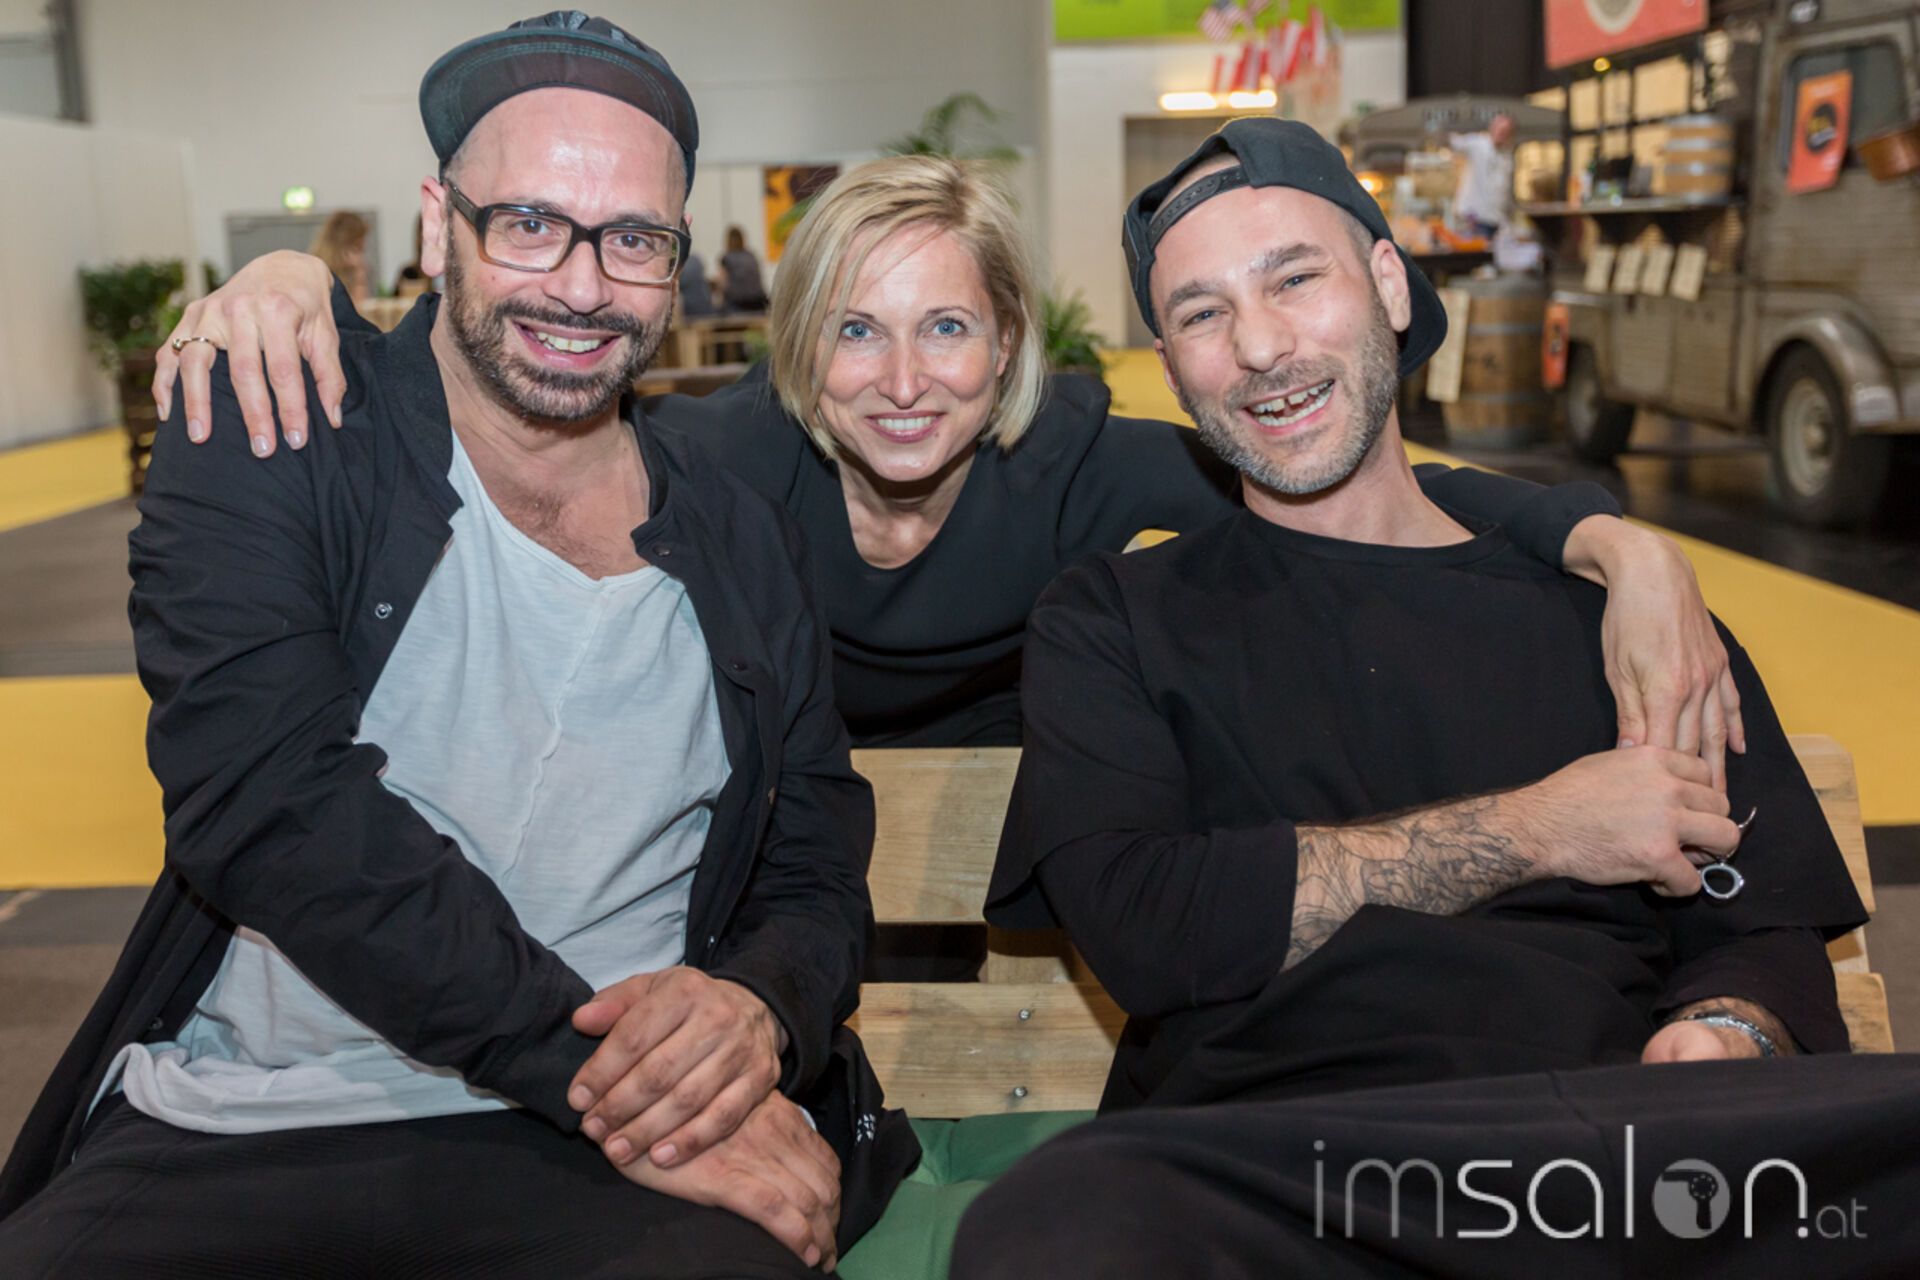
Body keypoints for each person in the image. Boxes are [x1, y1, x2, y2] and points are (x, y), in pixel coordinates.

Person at [0, 14, 917, 1277]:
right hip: (258, 1119)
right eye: (529, 222)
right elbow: (267, 802)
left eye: (634, 239)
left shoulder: (738, 533)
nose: (582, 287)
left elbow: (812, 843)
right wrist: (597, 1070)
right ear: (439, 226)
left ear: (676, 259)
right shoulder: (273, 428)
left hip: (619, 1152)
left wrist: (758, 1010)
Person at [954, 117, 1919, 1278]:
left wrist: (1725, 1030)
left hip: (1596, 1152)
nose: (1259, 346)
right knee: (1052, 1221)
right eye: (1202, 313)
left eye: (1294, 279)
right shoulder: (1115, 617)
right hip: (1277, 1166)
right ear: (1169, 365)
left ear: (1389, 283)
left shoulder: (1619, 618)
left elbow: (1757, 925)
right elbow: (1150, 926)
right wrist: (1541, 825)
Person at [154, 157, 1742, 765]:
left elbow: (1363, 484)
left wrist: (1618, 543)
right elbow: (484, 423)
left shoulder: (1069, 461)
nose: (905, 384)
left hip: (1013, 844)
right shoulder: (717, 459)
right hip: (790, 837)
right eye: (855, 331)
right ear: (799, 350)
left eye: (947, 332)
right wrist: (296, 293)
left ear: (1008, 349)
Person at [1450, 110, 1516, 241]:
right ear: (1492, 128)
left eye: (1506, 132)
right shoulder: (1477, 144)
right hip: (1474, 217)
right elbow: (1455, 143)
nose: (1501, 134)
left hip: (1495, 219)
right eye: (1500, 130)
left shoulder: (1507, 155)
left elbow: (1503, 190)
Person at [308, 208, 372, 304]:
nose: (364, 245)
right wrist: (359, 275)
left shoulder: (316, 265)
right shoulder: (319, 271)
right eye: (359, 242)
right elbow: (355, 308)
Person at [716, 224, 769, 312]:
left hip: (737, 306)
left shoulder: (727, 258)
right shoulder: (751, 256)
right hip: (758, 304)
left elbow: (723, 285)